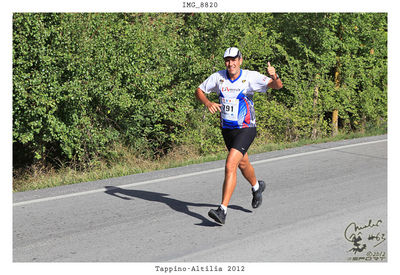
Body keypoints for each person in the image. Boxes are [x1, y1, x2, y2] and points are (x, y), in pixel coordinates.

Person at [195, 47, 283, 225]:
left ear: (240, 61)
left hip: (246, 128)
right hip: (227, 130)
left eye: (234, 59)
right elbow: (199, 90)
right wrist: (207, 102)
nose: (230, 63)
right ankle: (257, 187)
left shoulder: (250, 77)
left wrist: (275, 76)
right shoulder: (218, 77)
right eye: (227, 60)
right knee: (243, 163)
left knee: (230, 165)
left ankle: (222, 210)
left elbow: (277, 86)